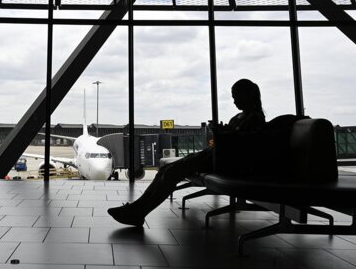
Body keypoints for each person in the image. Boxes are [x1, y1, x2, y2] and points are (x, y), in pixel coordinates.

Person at [107, 78, 266, 226]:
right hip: (215, 156)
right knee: (165, 170)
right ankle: (137, 209)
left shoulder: (254, 119)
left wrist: (221, 133)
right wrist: (221, 132)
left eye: (236, 96)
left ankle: (138, 211)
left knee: (169, 172)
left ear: (248, 96)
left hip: (223, 160)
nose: (234, 101)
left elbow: (241, 146)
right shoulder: (244, 117)